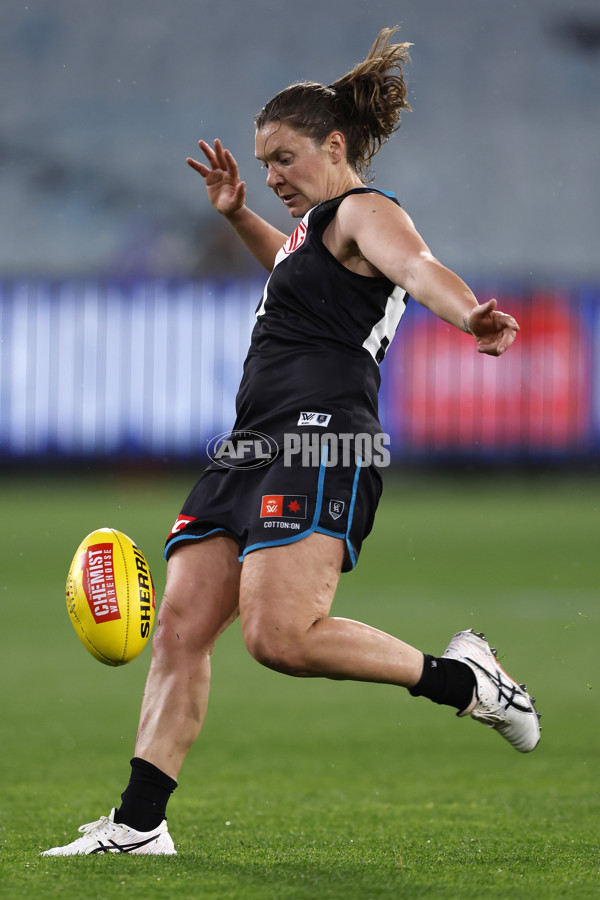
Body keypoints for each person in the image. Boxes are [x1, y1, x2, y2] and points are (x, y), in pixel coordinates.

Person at [42, 27, 540, 857]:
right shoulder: (313, 235)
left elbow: (416, 268)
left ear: (333, 145)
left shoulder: (366, 211)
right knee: (181, 625)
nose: (271, 175)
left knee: (280, 636)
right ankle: (137, 825)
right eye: (263, 162)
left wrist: (469, 314)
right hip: (249, 444)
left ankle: (469, 681)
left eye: (282, 158)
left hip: (321, 438)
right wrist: (240, 215)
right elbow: (292, 270)